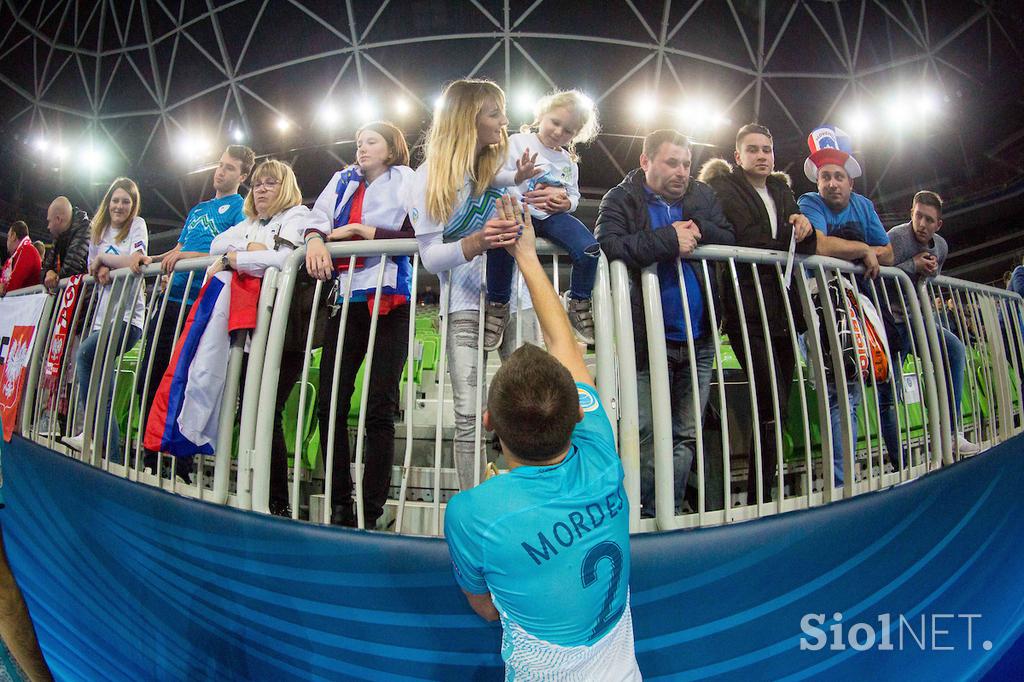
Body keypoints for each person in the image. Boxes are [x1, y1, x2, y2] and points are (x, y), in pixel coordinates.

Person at [445, 194, 641, 681]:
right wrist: (530, 256)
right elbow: (564, 344)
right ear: (578, 413)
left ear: (488, 421)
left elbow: (486, 609)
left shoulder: (472, 512)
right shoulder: (600, 453)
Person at [596, 129, 735, 517]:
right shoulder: (621, 197)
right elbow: (608, 244)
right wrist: (668, 240)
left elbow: (728, 234)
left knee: (686, 433)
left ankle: (667, 510)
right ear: (646, 162)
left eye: (686, 164)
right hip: (643, 341)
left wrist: (698, 231)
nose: (681, 172)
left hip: (698, 337)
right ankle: (637, 511)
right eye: (671, 162)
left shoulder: (702, 196)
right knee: (642, 432)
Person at [406, 78, 522, 491]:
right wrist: (474, 243)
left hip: (517, 303)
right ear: (465, 120)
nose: (504, 121)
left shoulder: (506, 164)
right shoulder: (427, 177)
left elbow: (528, 221)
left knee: (529, 408)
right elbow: (431, 256)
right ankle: (475, 506)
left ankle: (528, 498)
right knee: (469, 415)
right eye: (494, 113)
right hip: (464, 304)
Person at [304, 122, 415, 528]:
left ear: (391, 149)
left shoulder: (406, 178)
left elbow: (419, 230)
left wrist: (359, 231)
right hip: (347, 298)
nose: (361, 147)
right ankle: (338, 500)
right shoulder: (341, 179)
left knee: (379, 408)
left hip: (392, 299)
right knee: (330, 401)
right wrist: (316, 240)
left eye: (371, 141)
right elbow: (316, 220)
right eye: (358, 141)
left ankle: (372, 507)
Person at [699, 123, 817, 504]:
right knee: (768, 403)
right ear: (738, 156)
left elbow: (806, 244)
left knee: (779, 405)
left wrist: (804, 226)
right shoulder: (723, 188)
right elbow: (744, 237)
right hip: (746, 310)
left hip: (783, 311)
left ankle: (765, 492)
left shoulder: (783, 190)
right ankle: (759, 497)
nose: (763, 156)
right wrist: (785, 238)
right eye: (754, 149)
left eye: (767, 149)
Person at [208, 159, 325, 517]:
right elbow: (216, 246)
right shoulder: (249, 224)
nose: (260, 189)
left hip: (287, 330)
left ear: (285, 187)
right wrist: (248, 253)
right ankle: (259, 493)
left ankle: (275, 501)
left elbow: (284, 261)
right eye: (257, 184)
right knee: (252, 408)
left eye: (270, 183)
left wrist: (238, 258)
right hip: (252, 328)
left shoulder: (298, 216)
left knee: (267, 408)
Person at [139, 145, 254, 476]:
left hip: (198, 304)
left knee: (187, 380)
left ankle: (181, 461)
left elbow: (227, 250)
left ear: (242, 176)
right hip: (170, 300)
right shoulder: (199, 208)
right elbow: (180, 248)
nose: (220, 172)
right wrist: (152, 260)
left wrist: (185, 259)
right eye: (220, 165)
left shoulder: (239, 209)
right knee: (152, 374)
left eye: (230, 168)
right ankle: (150, 454)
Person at [797, 126, 895, 485]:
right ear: (817, 181)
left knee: (854, 391)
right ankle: (841, 481)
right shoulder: (809, 203)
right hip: (821, 307)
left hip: (860, 308)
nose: (832, 183)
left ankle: (849, 477)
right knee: (837, 392)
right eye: (825, 177)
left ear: (850, 182)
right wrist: (861, 249)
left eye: (838, 176)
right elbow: (819, 245)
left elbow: (888, 251)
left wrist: (868, 251)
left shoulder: (864, 205)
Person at [484, 89, 601, 347]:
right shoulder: (516, 142)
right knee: (502, 240)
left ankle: (579, 300)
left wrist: (566, 202)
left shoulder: (569, 161)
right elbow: (493, 177)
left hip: (550, 217)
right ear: (541, 115)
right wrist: (519, 180)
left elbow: (574, 196)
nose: (559, 132)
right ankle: (497, 304)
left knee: (590, 248)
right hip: (517, 211)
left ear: (576, 135)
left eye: (568, 130)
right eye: (555, 122)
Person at [887, 191, 979, 455]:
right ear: (911, 213)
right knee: (889, 392)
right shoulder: (896, 237)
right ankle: (898, 460)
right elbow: (877, 273)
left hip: (917, 320)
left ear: (938, 224)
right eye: (918, 216)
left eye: (929, 220)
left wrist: (925, 269)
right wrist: (911, 265)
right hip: (891, 322)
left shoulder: (941, 245)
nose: (922, 224)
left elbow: (931, 277)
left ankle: (951, 433)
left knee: (955, 350)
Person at [65, 178, 150, 462]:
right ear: (108, 202)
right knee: (106, 395)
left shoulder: (137, 225)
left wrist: (105, 258)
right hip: (102, 319)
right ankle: (112, 459)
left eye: (126, 201)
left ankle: (89, 430)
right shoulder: (98, 230)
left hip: (128, 319)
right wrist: (100, 265)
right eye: (116, 200)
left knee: (85, 356)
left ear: (133, 205)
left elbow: (136, 261)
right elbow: (92, 269)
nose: (120, 206)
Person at [40, 196, 90, 291]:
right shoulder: (60, 234)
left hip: (83, 298)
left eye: (49, 221)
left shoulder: (85, 229)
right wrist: (48, 273)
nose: (48, 226)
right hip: (70, 295)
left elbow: (71, 269)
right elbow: (45, 269)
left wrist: (54, 278)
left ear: (58, 219)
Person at [0, 221, 42, 296]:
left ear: (13, 236)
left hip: (25, 303)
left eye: (8, 237)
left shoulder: (28, 250)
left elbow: (14, 285)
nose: (7, 242)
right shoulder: (16, 256)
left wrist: (3, 288)